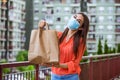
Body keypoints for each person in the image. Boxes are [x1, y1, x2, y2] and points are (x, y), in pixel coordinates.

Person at [39, 12, 89, 80]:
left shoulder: (80, 41)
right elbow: (43, 38)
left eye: (78, 21)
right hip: (55, 75)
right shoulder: (59, 35)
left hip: (71, 76)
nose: (74, 20)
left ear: (81, 28)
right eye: (74, 17)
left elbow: (75, 63)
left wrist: (59, 65)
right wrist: (41, 27)